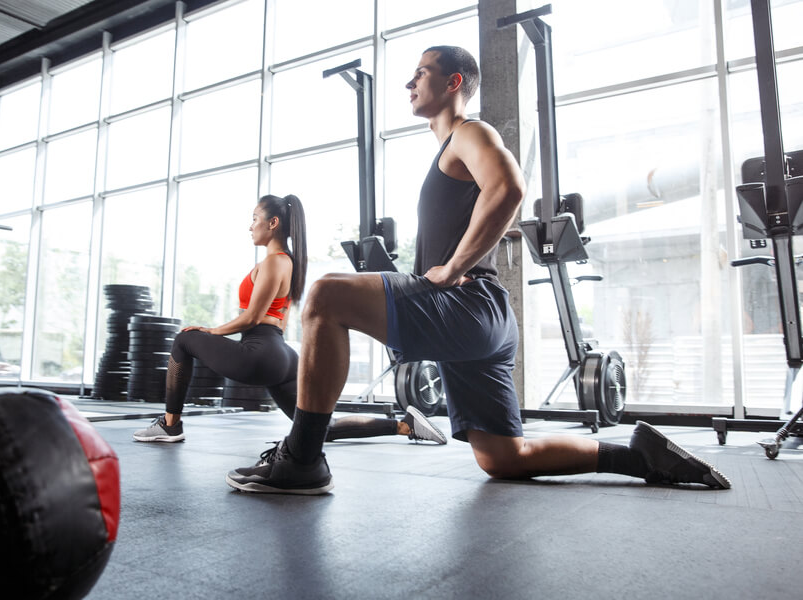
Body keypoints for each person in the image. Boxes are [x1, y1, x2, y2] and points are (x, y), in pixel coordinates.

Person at [225, 46, 731, 495]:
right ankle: (637, 455)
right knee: (504, 459)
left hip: (467, 306)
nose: (409, 82)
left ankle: (303, 460)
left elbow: (508, 187)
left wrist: (450, 268)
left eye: (421, 72)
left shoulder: (469, 132)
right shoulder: (450, 150)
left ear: (453, 83)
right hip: (483, 320)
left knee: (324, 296)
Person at [132, 194, 446, 445]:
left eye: (255, 219)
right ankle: (404, 425)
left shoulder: (273, 263)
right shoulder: (289, 263)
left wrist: (211, 331)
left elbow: (252, 317)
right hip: (283, 356)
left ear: (273, 223)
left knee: (184, 338)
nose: (250, 226)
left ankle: (169, 425)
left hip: (261, 353)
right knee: (321, 427)